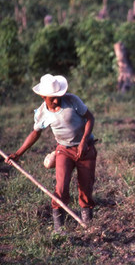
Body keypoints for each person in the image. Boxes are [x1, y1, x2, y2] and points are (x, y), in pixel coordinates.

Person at [5, 74, 97, 232]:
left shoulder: (72, 100)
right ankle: (58, 227)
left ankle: (88, 223)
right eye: (52, 98)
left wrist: (83, 142)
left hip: (85, 148)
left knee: (86, 186)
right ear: (43, 96)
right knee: (61, 187)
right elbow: (35, 133)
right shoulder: (42, 113)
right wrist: (18, 153)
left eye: (58, 96)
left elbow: (90, 118)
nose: (56, 100)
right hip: (63, 150)